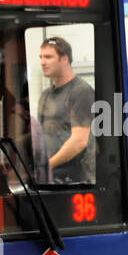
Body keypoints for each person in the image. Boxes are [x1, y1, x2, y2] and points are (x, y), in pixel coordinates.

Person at [37, 36, 96, 184]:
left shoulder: (81, 91)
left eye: (48, 57)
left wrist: (47, 166)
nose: (42, 62)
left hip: (75, 179)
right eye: (41, 57)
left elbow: (79, 141)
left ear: (64, 59)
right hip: (50, 177)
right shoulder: (45, 95)